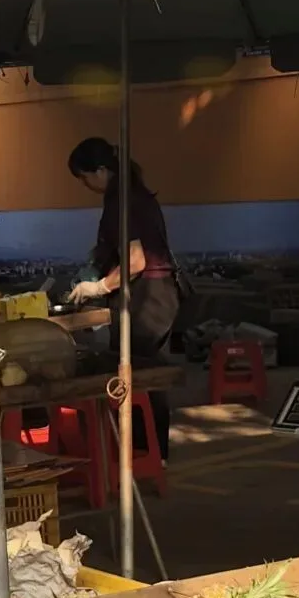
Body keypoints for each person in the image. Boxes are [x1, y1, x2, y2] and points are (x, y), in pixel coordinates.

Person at [66, 136, 179, 461]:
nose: (86, 185)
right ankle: (155, 455)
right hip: (160, 296)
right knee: (151, 377)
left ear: (101, 170)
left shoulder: (123, 201)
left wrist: (100, 287)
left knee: (136, 377)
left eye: (85, 177)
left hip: (146, 300)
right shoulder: (133, 194)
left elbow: (136, 260)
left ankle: (141, 455)